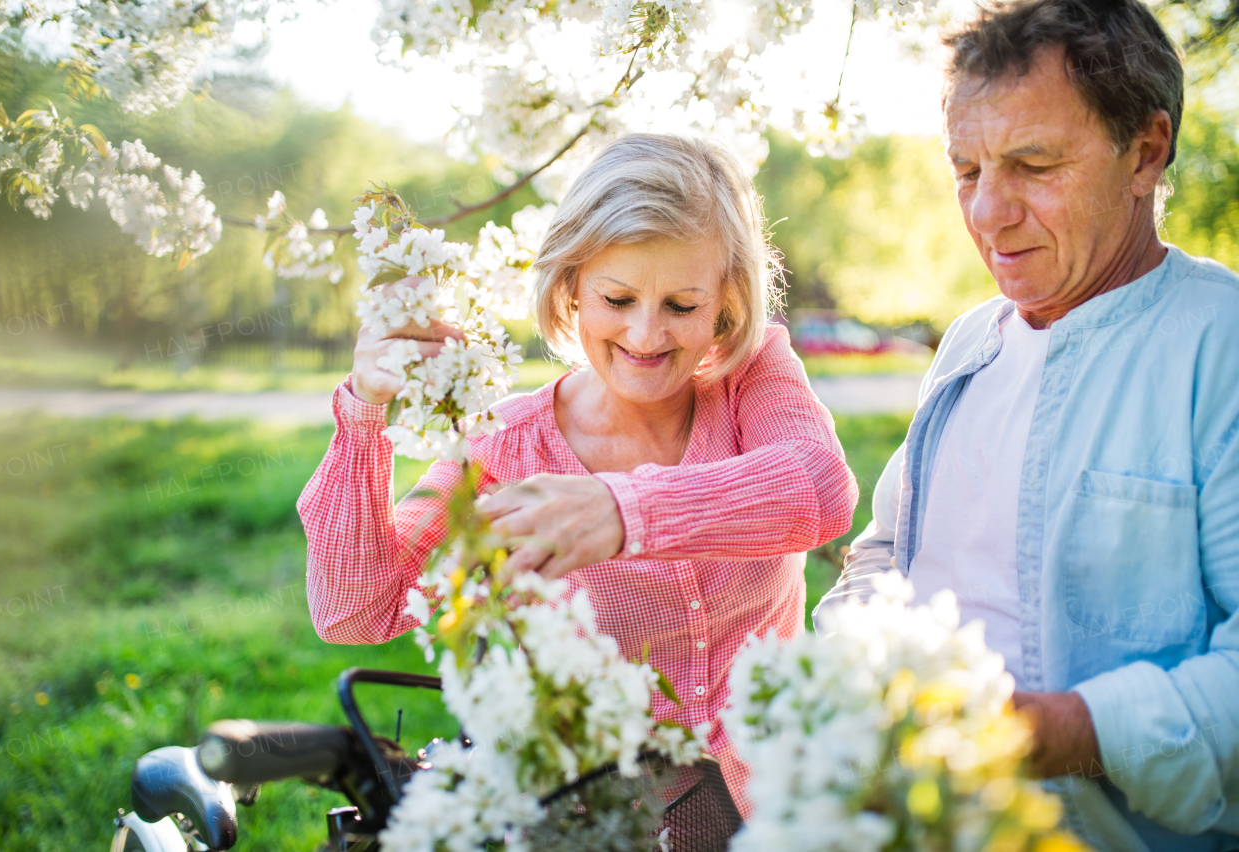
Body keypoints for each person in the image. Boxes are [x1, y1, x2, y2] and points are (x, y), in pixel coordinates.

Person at [298, 133, 860, 808]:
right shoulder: (506, 448)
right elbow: (356, 610)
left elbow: (819, 489)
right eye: (618, 300)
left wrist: (622, 511)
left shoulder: (751, 382)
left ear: (725, 301)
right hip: (596, 822)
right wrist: (364, 409)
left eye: (681, 306)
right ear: (570, 289)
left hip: (785, 813)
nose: (647, 336)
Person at [815, 1, 1239, 849]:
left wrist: (1059, 732)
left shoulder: (1218, 346)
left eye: (1033, 164)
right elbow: (887, 552)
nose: (985, 214)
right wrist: (855, 667)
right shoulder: (973, 340)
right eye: (966, 171)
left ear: (1145, 153)